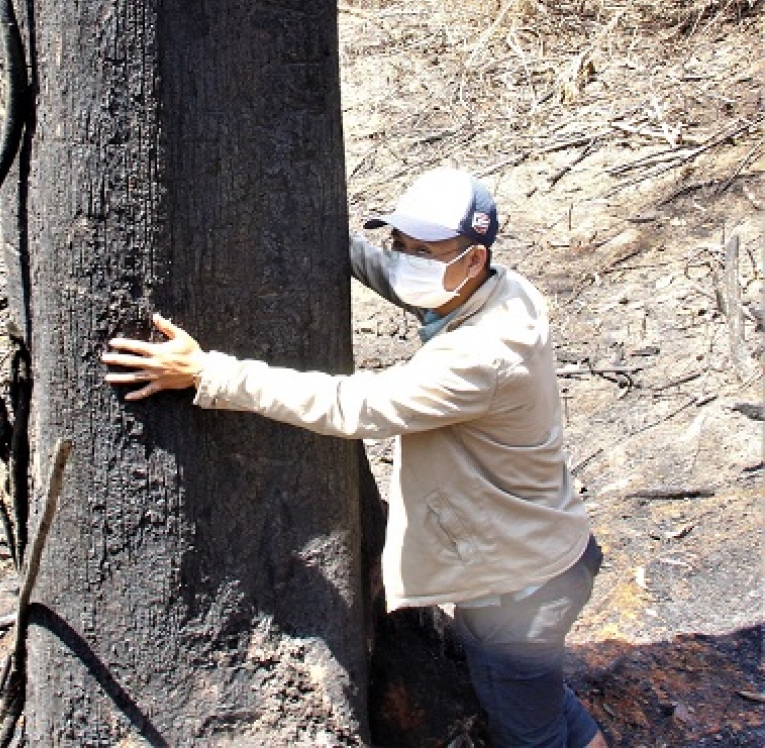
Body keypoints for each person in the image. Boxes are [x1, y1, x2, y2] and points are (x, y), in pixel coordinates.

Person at [101, 168, 609, 748]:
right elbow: (406, 281)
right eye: (402, 246)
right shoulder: (500, 291)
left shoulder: (481, 358)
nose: (407, 261)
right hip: (545, 554)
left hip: (519, 591)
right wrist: (334, 245)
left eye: (426, 252)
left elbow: (355, 405)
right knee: (542, 700)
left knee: (529, 730)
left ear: (472, 260)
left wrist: (207, 373)